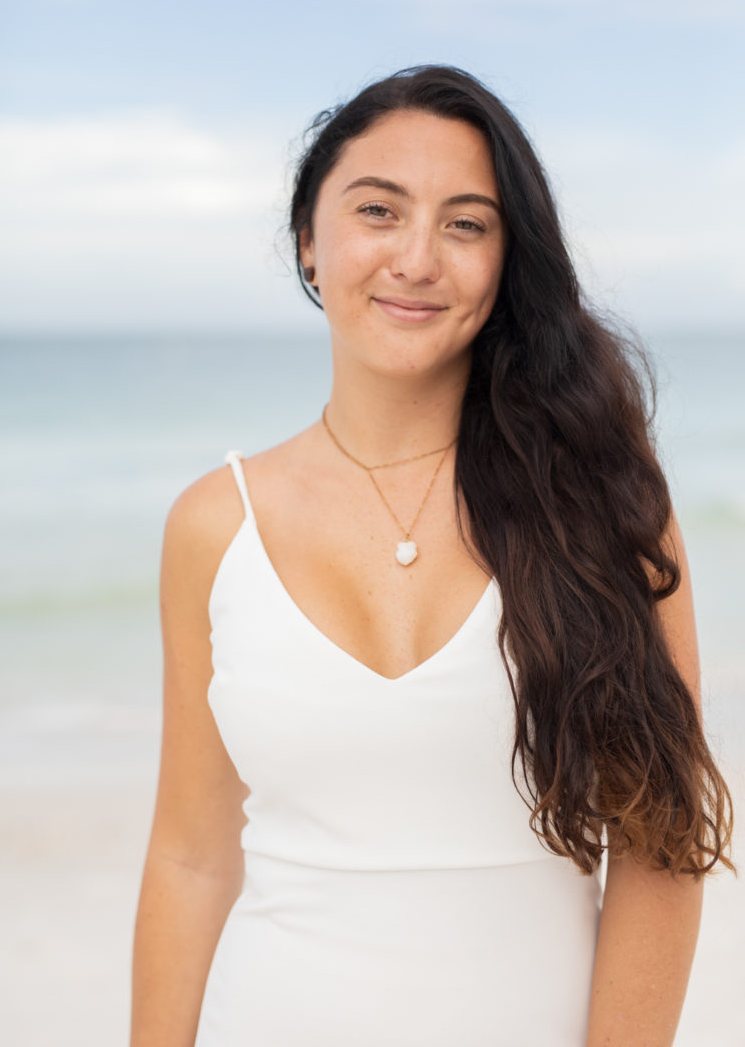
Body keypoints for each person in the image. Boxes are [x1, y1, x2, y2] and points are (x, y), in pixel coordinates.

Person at [130, 65, 734, 1046]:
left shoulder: (605, 509)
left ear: (506, 264)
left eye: (466, 224)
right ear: (309, 244)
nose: (417, 258)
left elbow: (660, 851)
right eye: (378, 211)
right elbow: (192, 858)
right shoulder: (212, 524)